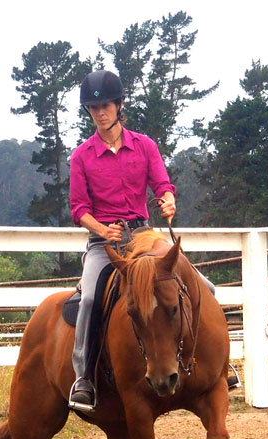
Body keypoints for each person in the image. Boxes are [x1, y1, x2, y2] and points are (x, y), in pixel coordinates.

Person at [67, 69, 181, 412]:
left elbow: (162, 185)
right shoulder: (81, 156)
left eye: (105, 106)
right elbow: (78, 209)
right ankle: (84, 377)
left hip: (143, 235)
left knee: (201, 285)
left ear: (119, 105)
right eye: (93, 108)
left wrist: (168, 201)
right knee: (89, 298)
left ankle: (212, 363)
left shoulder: (144, 146)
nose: (100, 113)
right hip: (104, 244)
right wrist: (102, 230)